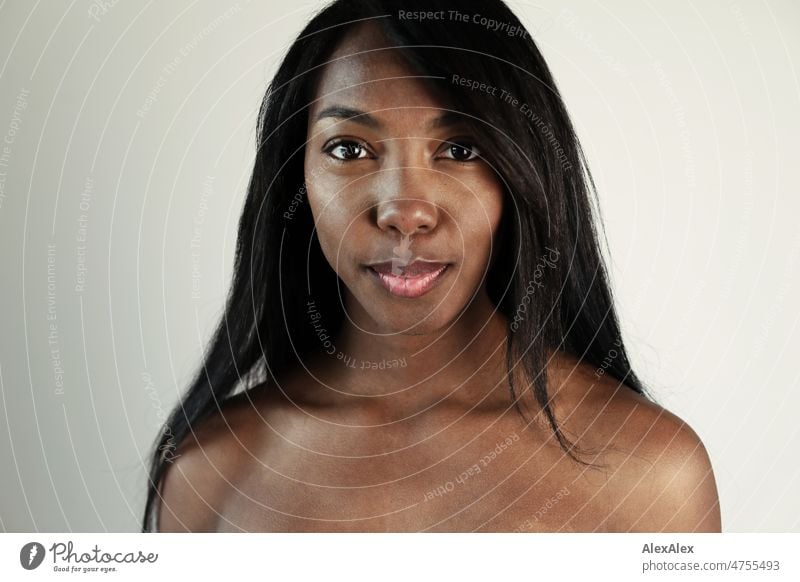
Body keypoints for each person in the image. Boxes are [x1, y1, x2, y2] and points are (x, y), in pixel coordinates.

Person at [143, 0, 721, 532]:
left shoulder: (653, 474)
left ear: (521, 175)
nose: (406, 211)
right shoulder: (209, 471)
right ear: (297, 178)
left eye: (460, 149)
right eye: (349, 149)